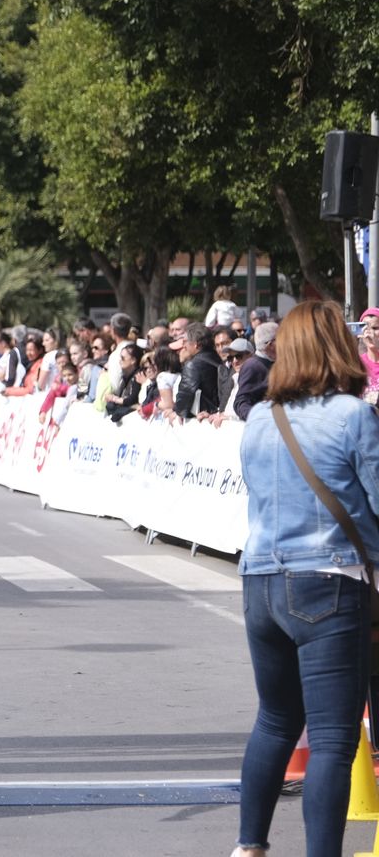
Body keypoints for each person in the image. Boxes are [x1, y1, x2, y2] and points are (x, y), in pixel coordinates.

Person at [232, 300, 379, 857]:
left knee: (274, 721)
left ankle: (249, 845)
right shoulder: (352, 415)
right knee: (334, 739)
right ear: (337, 348)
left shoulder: (260, 418)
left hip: (261, 582)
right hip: (328, 580)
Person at [175, 322, 225, 420]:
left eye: (185, 341)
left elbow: (186, 393)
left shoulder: (193, 365)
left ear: (196, 344)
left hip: (203, 419)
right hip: (218, 415)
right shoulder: (220, 361)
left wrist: (179, 412)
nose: (183, 346)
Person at [233, 322, 277, 419]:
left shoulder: (277, 363)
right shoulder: (252, 366)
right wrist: (261, 418)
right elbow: (241, 402)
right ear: (270, 345)